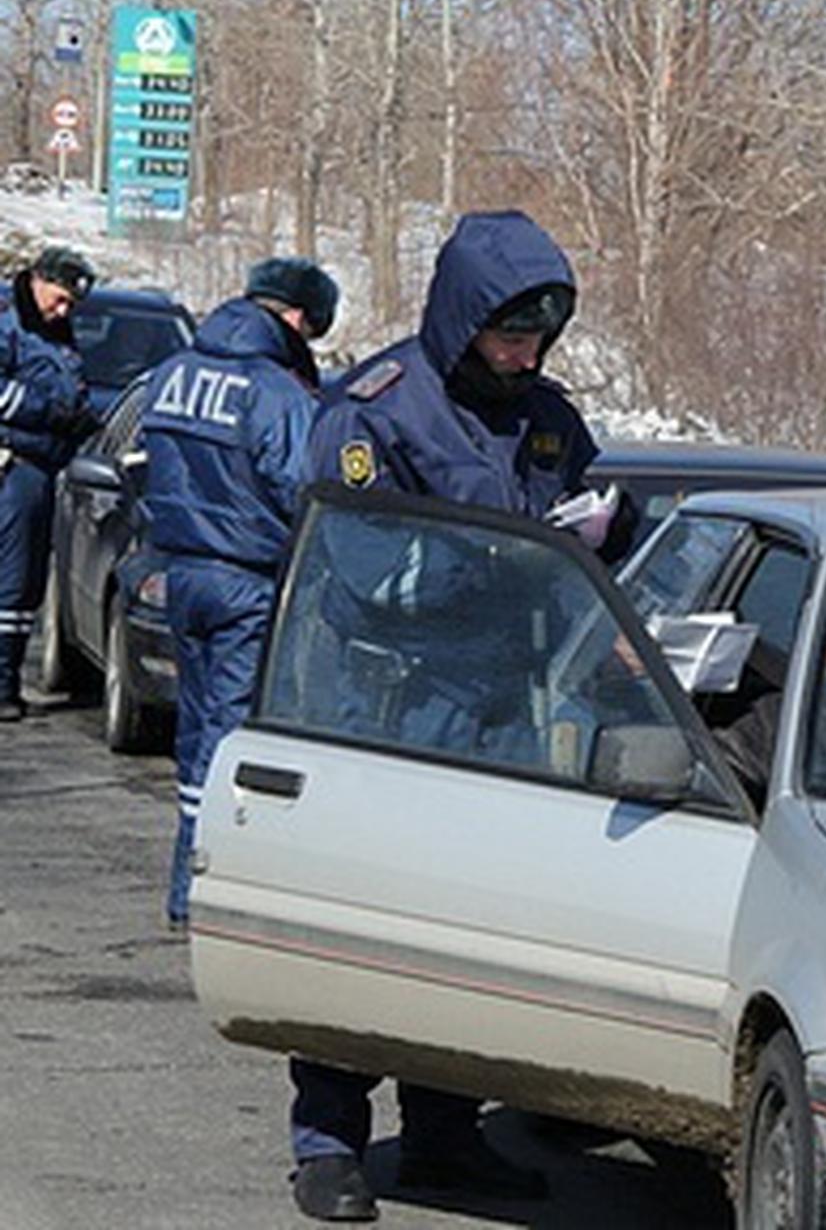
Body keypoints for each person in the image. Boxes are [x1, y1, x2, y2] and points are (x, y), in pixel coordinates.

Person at [289, 209, 634, 1224]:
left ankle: (445, 1131)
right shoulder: (379, 411)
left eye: (538, 336)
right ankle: (328, 1140)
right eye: (507, 333)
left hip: (502, 714)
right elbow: (345, 565)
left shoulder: (548, 416)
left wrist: (600, 546)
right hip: (384, 709)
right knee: (364, 931)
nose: (523, 353)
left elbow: (602, 519)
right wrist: (490, 563)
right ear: (461, 318)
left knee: (470, 935)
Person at [140, 256, 340, 931]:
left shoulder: (172, 373)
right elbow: (301, 488)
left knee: (195, 731)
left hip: (181, 573)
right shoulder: (271, 390)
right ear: (293, 318)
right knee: (228, 742)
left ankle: (184, 885)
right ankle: (199, 892)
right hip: (246, 583)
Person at [0, 246, 97, 722]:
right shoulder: (7, 322)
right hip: (12, 465)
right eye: (59, 299)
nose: (63, 311)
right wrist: (50, 415)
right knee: (11, 582)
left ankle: (7, 678)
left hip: (38, 468)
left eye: (70, 306)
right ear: (37, 280)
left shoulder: (57, 334)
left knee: (22, 587)